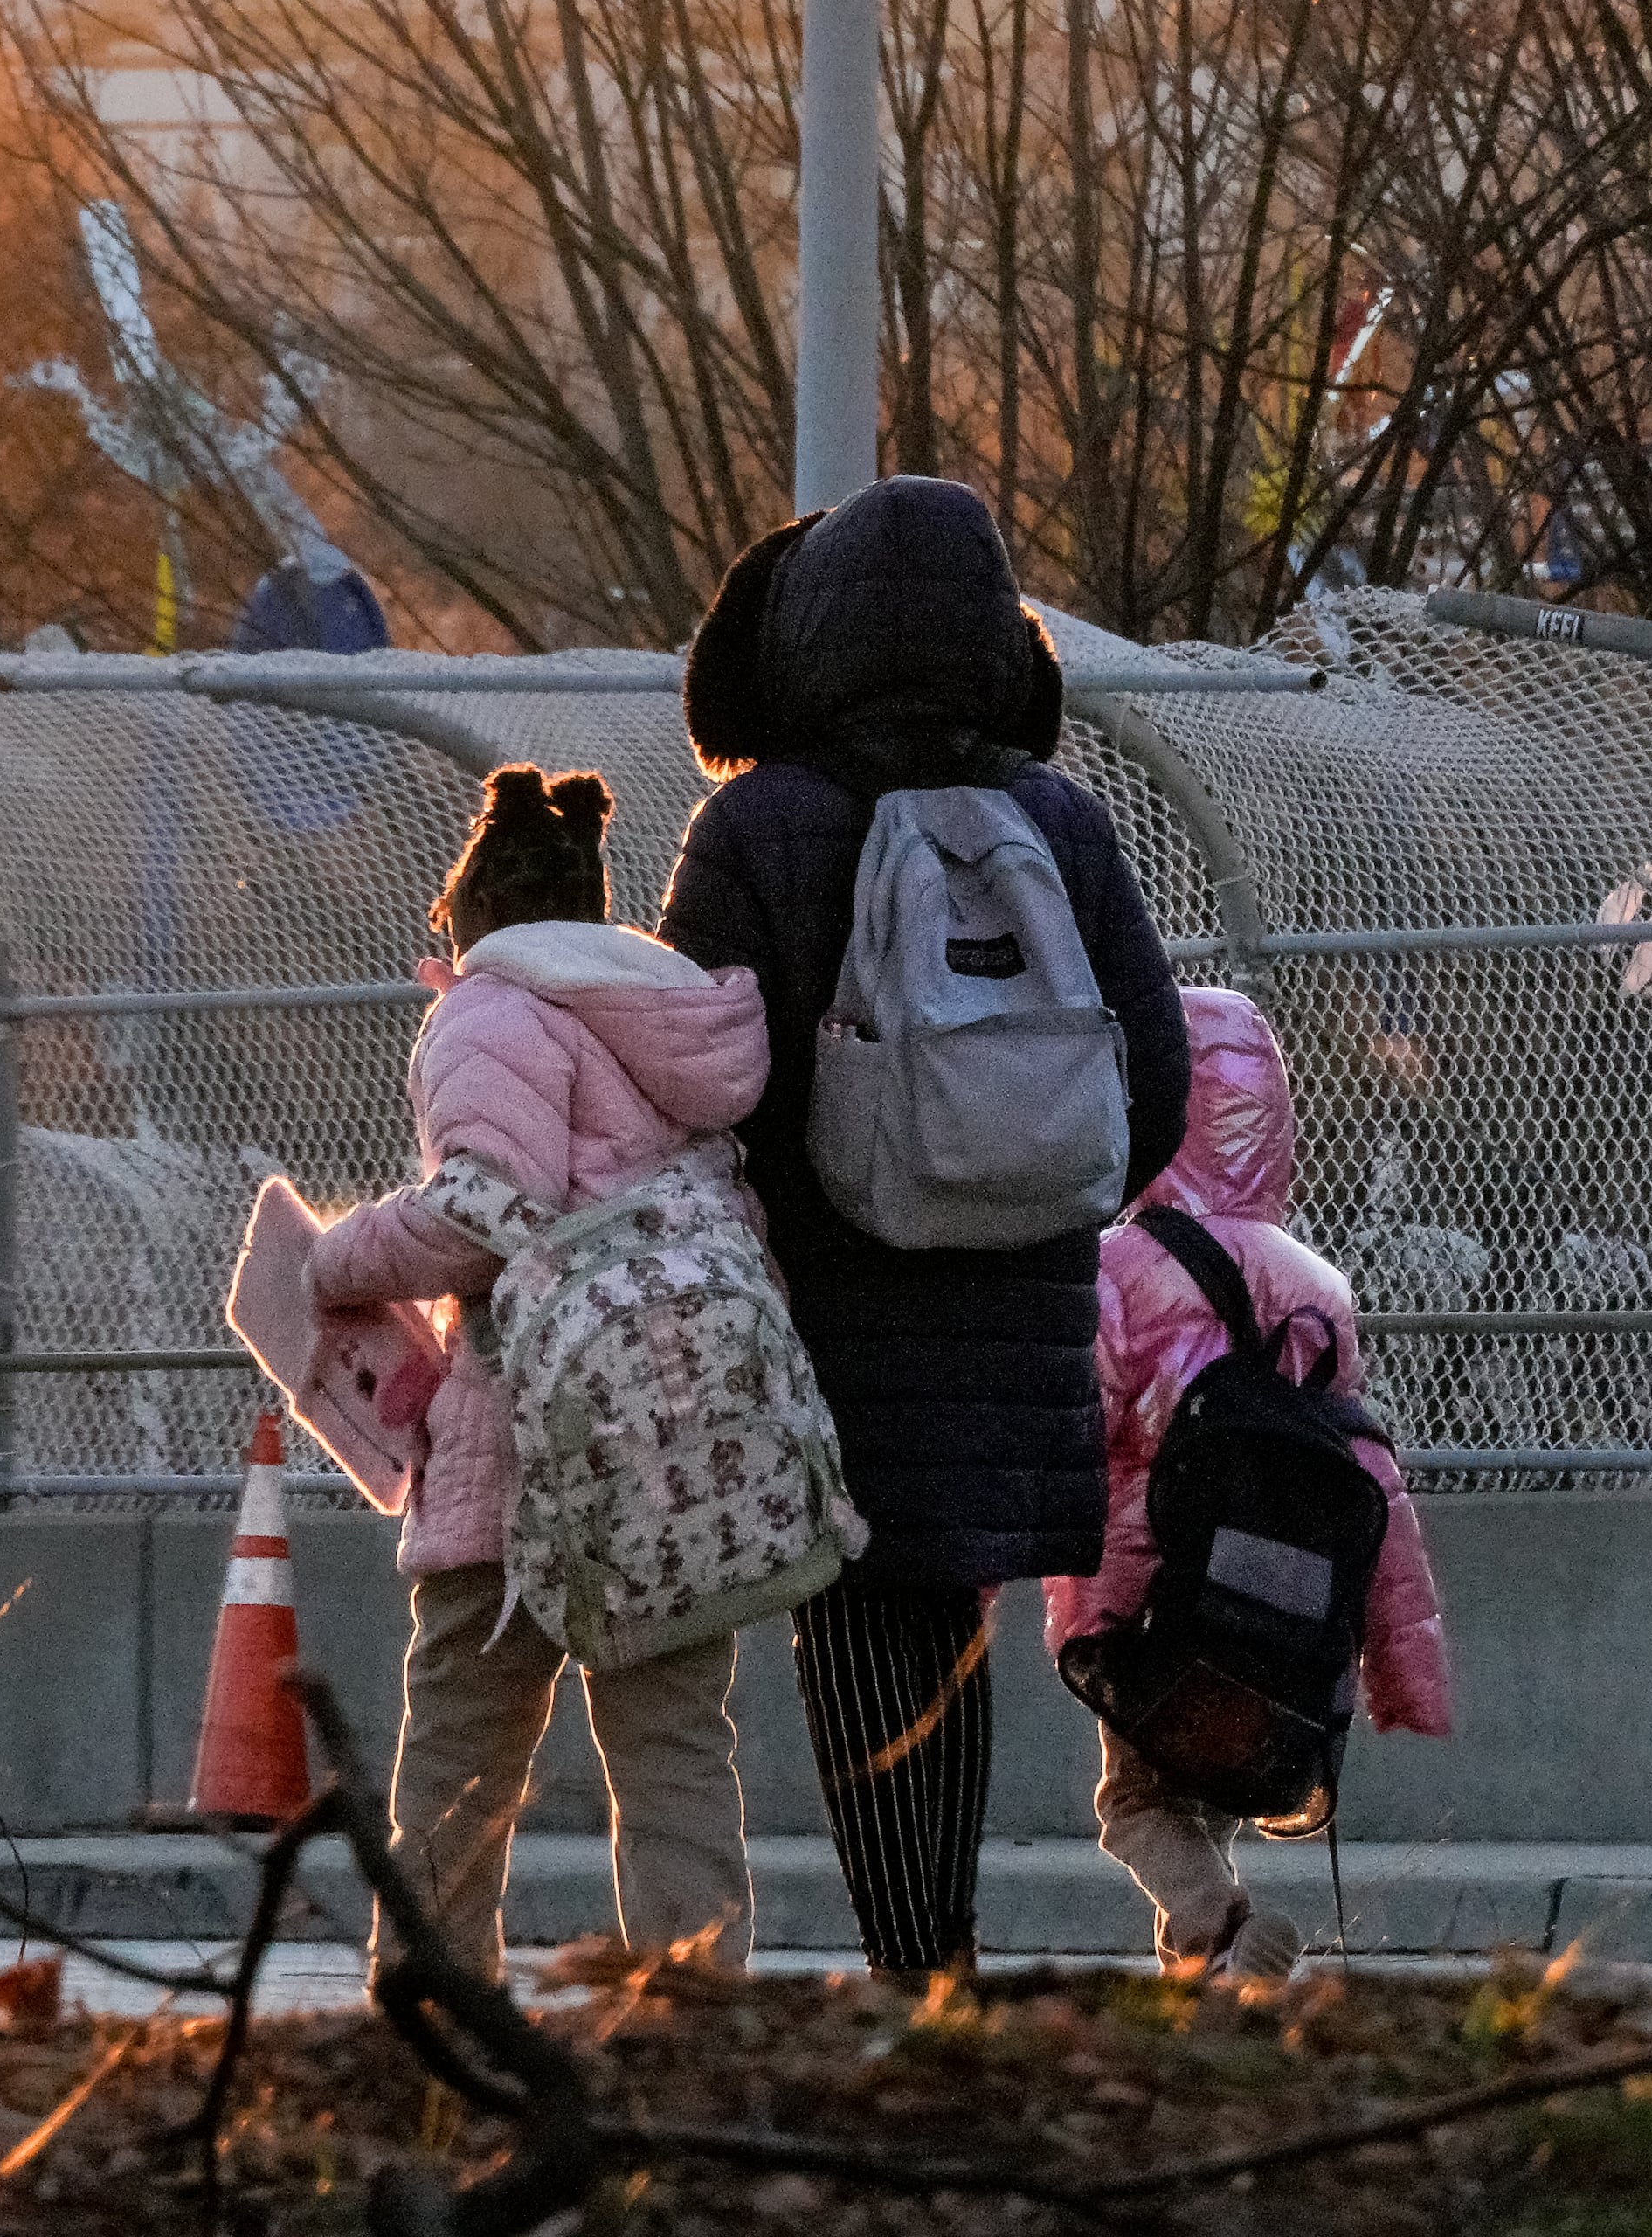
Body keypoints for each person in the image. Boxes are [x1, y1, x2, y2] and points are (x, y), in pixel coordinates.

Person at [657, 478, 1192, 1986]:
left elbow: (695, 1075)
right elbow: (1151, 1085)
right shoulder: (1059, 822)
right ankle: (933, 1957)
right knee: (945, 1610)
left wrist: (798, 1197)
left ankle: (918, 1965)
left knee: (860, 1620)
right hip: (1018, 1305)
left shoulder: (760, 824)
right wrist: (1026, 1196)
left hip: (825, 1299)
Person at [304, 764, 773, 1978]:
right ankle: (698, 1998)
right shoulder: (663, 1014)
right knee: (674, 1736)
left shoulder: (490, 1011)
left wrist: (336, 1256)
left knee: (464, 1735)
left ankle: (435, 1991)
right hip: (676, 1429)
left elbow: (483, 1214)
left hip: (529, 1427)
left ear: (465, 914)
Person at [1050, 987, 1454, 1979]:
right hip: (1277, 1605)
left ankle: (1225, 1930)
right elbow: (1364, 1470)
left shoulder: (1117, 1268)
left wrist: (1004, 1556)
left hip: (1148, 1607)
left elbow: (1073, 1433)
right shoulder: (1317, 1284)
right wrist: (1403, 1668)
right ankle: (1203, 1979)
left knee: (1137, 1803)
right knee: (1202, 1786)